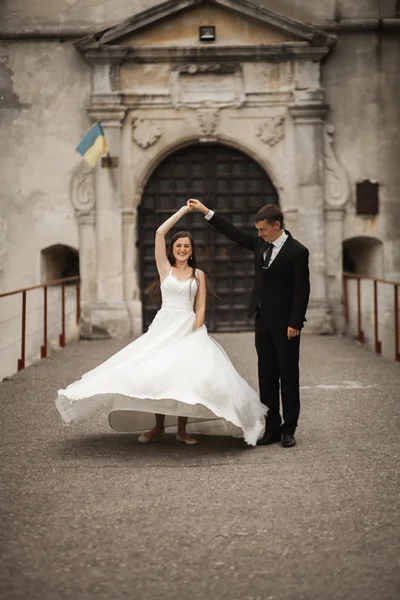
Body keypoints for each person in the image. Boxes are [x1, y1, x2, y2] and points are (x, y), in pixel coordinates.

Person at [55, 205, 266, 446]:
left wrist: (197, 332)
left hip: (188, 328)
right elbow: (158, 233)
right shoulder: (165, 269)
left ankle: (182, 430)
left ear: (192, 250)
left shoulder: (198, 275)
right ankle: (157, 426)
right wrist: (182, 213)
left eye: (186, 246)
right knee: (158, 373)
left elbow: (200, 307)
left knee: (186, 378)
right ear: (172, 250)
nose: (182, 249)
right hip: (164, 328)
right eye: (178, 246)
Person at [187, 199, 310, 448]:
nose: (259, 233)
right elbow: (232, 231)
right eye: (257, 230)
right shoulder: (260, 244)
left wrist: (295, 322)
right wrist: (205, 211)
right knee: (266, 377)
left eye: (263, 229)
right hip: (262, 321)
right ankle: (272, 428)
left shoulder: (297, 251)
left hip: (286, 325)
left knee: (288, 377)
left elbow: (302, 290)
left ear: (277, 225)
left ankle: (289, 429)